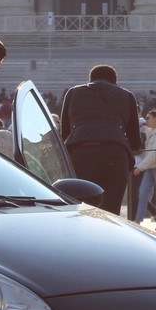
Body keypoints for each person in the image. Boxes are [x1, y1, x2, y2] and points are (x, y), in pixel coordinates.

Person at [59, 64, 143, 215]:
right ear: (114, 82)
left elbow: (64, 133)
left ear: (90, 80)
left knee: (81, 209)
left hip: (80, 153)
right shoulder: (126, 95)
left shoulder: (73, 93)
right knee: (110, 211)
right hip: (115, 153)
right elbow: (135, 140)